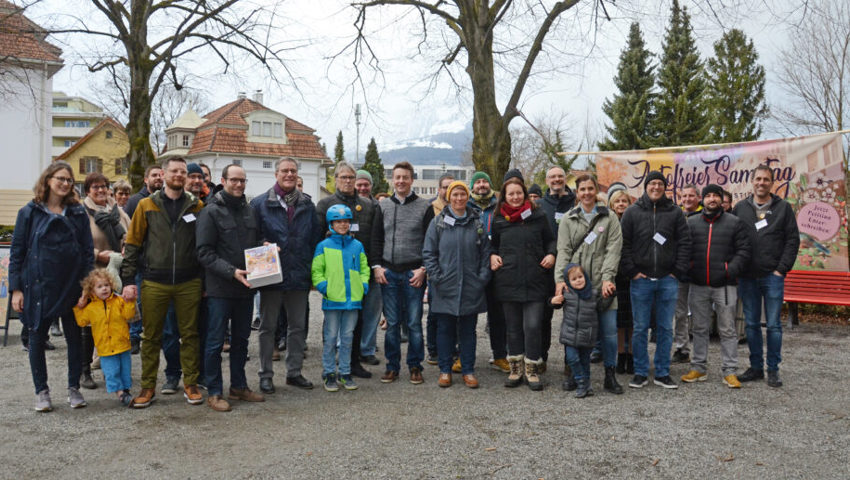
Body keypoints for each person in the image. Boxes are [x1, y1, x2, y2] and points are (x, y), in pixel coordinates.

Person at [9, 161, 94, 411]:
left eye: (69, 180)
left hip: (72, 285)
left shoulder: (78, 213)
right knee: (36, 338)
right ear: (48, 180)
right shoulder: (29, 212)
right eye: (61, 178)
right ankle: (42, 392)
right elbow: (17, 252)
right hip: (37, 286)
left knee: (74, 339)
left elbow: (87, 252)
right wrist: (16, 289)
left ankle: (73, 389)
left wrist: (86, 288)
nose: (65, 183)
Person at [120, 157, 205, 408]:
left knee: (190, 335)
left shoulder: (197, 206)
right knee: (151, 337)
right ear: (164, 174)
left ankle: (190, 384)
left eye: (183, 172)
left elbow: (203, 245)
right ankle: (147, 388)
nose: (179, 175)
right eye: (174, 171)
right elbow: (133, 244)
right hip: (154, 281)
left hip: (189, 281)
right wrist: (128, 280)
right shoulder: (146, 205)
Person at [196, 164, 265, 412]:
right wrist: (230, 271)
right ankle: (214, 392)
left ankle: (238, 386)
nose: (238, 184)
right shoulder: (211, 212)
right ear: (223, 181)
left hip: (246, 288)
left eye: (242, 181)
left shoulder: (249, 211)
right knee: (215, 342)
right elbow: (204, 252)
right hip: (220, 289)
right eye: (234, 180)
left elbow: (254, 242)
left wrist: (265, 248)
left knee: (241, 341)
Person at [251, 157, 322, 394]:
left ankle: (294, 373)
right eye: (284, 171)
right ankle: (265, 374)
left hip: (299, 274)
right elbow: (252, 237)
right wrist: (264, 244)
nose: (289, 174)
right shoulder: (260, 204)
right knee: (267, 327)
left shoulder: (307, 205)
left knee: (297, 327)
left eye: (293, 170)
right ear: (276, 174)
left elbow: (314, 239)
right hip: (271, 275)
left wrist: (311, 270)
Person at [620, 171, 691, 390]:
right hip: (640, 280)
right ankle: (641, 372)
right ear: (646, 186)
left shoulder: (675, 212)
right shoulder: (632, 212)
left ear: (664, 187)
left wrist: (677, 271)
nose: (656, 187)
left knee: (664, 328)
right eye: (652, 183)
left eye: (660, 183)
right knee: (640, 328)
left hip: (667, 280)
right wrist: (632, 271)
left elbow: (684, 243)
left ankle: (662, 372)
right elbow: (624, 244)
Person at [554, 174, 623, 394]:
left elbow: (613, 249)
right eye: (582, 189)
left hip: (602, 285)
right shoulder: (568, 218)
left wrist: (607, 278)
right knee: (574, 330)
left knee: (609, 331)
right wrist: (560, 281)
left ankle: (610, 374)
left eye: (590, 188)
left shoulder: (609, 217)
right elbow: (563, 251)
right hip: (576, 286)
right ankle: (574, 373)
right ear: (577, 192)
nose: (586, 193)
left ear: (596, 190)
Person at [733, 165, 800, 388]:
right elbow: (733, 240)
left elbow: (792, 240)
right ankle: (755, 367)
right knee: (751, 324)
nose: (761, 183)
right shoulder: (740, 208)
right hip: (747, 277)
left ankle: (773, 369)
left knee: (773, 325)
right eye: (758, 179)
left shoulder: (783, 209)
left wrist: (781, 269)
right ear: (752, 181)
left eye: (766, 179)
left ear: (772, 183)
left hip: (773, 276)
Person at [315, 161, 383, 378]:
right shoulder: (325, 205)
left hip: (358, 274)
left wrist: (372, 269)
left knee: (357, 321)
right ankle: (330, 366)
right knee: (332, 323)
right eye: (343, 177)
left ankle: (353, 362)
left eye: (351, 178)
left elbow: (375, 240)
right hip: (334, 275)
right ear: (336, 179)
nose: (347, 181)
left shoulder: (369, 206)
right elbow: (317, 241)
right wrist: (320, 279)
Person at [490, 170, 556, 391]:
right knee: (513, 328)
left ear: (525, 194)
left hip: (535, 279)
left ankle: (532, 369)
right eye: (511, 194)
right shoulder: (499, 219)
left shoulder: (538, 215)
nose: (515, 197)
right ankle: (516, 369)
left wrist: (551, 254)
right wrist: (492, 255)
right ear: (505, 196)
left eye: (519, 193)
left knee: (533, 325)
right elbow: (492, 245)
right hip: (508, 279)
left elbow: (550, 240)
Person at [681, 184, 751, 388]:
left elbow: (744, 250)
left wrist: (730, 270)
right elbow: (684, 249)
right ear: (702, 200)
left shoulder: (734, 222)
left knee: (728, 329)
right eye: (708, 195)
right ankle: (698, 368)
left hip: (726, 285)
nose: (712, 199)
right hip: (698, 284)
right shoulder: (691, 222)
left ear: (722, 200)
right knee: (700, 328)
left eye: (716, 196)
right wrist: (691, 268)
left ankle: (729, 371)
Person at [371, 161, 435, 384]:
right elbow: (376, 238)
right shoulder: (383, 206)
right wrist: (377, 266)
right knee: (392, 323)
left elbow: (430, 241)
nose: (401, 181)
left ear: (412, 180)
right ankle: (392, 366)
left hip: (414, 273)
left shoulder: (425, 207)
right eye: (397, 177)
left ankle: (415, 366)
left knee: (414, 323)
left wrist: (424, 269)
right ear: (392, 179)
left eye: (405, 177)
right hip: (388, 273)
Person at [423, 181, 491, 388]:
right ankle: (445, 370)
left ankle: (468, 370)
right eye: (455, 195)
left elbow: (486, 254)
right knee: (445, 330)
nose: (459, 198)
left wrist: (481, 279)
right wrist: (437, 277)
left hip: (471, 285)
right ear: (449, 197)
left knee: (469, 331)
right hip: (445, 286)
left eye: (462, 194)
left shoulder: (476, 222)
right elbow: (429, 253)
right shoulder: (438, 223)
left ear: (467, 196)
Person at [81, 172, 132, 390]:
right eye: (95, 188)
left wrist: (125, 249)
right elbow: (76, 242)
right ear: (87, 191)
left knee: (116, 320)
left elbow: (130, 234)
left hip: (115, 274)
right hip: (92, 274)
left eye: (103, 186)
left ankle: (110, 364)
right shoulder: (82, 212)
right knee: (91, 325)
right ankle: (85, 370)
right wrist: (97, 254)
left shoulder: (117, 210)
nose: (101, 191)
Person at [312, 204, 370, 392]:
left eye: (346, 221)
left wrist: (363, 284)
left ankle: (345, 372)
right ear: (331, 224)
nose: (343, 224)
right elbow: (317, 270)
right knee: (330, 338)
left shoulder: (357, 245)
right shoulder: (323, 246)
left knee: (347, 338)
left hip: (352, 300)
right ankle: (329, 372)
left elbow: (364, 267)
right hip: (333, 300)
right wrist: (324, 287)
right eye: (338, 221)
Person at [73, 269, 137, 406]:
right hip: (105, 347)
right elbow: (81, 321)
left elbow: (129, 315)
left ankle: (125, 390)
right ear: (92, 290)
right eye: (99, 286)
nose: (104, 289)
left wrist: (130, 302)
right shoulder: (91, 308)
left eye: (106, 285)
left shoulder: (119, 301)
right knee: (112, 372)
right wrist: (79, 307)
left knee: (125, 370)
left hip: (122, 344)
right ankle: (120, 394)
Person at [467, 171, 509, 374]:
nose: (482, 185)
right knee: (468, 314)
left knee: (497, 314)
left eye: (485, 181)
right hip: (472, 267)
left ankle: (500, 355)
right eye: (478, 182)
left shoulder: (500, 206)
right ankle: (465, 357)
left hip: (496, 266)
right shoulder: (465, 206)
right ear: (472, 187)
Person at [537, 166, 576, 371]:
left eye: (560, 176)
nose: (557, 179)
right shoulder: (539, 205)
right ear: (547, 180)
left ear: (565, 179)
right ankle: (541, 358)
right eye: (552, 176)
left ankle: (571, 361)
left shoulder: (576, 202)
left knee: (572, 315)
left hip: (573, 268)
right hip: (546, 266)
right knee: (544, 316)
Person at [124, 164, 163, 354]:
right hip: (140, 262)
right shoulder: (134, 202)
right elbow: (131, 234)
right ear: (146, 179)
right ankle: (134, 336)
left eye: (161, 175)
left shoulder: (165, 201)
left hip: (158, 264)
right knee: (137, 302)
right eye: (154, 175)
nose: (158, 178)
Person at [554, 264, 598, 398]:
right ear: (568, 282)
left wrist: (610, 295)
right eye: (574, 279)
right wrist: (553, 300)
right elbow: (555, 304)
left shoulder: (593, 294)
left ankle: (586, 384)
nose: (578, 280)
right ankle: (581, 381)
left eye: (580, 277)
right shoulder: (567, 294)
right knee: (572, 358)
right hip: (570, 335)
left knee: (585, 361)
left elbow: (603, 306)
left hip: (587, 335)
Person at [425, 173, 454, 365]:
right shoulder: (431, 210)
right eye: (445, 187)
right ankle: (434, 350)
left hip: (457, 271)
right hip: (437, 271)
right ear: (439, 189)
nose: (448, 190)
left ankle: (453, 349)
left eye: (452, 187)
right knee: (435, 312)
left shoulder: (465, 210)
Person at [672, 184, 703, 364]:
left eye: (691, 196)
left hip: (699, 272)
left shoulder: (705, 216)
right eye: (684, 196)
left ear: (698, 198)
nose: (687, 199)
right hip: (680, 273)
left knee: (699, 313)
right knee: (680, 312)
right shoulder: (677, 216)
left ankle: (699, 351)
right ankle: (682, 348)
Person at [606, 184, 634, 374]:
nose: (621, 204)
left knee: (632, 320)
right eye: (617, 201)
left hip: (631, 275)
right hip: (614, 276)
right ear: (611, 204)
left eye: (624, 201)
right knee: (618, 320)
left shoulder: (633, 221)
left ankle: (631, 354)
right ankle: (620, 353)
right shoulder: (607, 222)